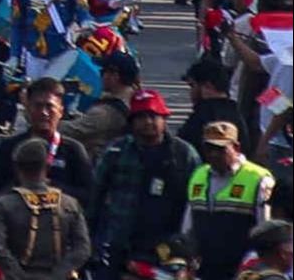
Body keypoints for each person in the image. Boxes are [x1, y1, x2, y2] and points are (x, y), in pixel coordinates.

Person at [90, 89, 202, 280]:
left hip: (170, 247)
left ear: (164, 118)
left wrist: (191, 248)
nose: (148, 122)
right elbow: (95, 197)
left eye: (153, 116)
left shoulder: (184, 154)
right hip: (120, 243)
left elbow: (197, 202)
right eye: (141, 117)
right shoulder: (116, 152)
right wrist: (91, 239)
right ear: (132, 122)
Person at [0, 137, 93, 280]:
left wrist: (18, 274)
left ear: (16, 168)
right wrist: (60, 273)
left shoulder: (4, 205)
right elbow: (83, 248)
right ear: (48, 166)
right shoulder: (69, 204)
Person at [0, 78, 97, 210]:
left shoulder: (73, 150)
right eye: (38, 106)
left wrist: (52, 187)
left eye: (49, 106)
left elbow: (89, 197)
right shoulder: (10, 147)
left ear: (60, 111)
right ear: (27, 109)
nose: (44, 112)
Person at [187, 121, 278, 280]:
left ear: (236, 147)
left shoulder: (259, 178)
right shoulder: (198, 175)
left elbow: (266, 229)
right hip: (205, 268)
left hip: (242, 269)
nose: (214, 154)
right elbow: (188, 224)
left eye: (220, 149)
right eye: (209, 148)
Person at [60, 52, 141, 159]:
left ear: (114, 76)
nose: (101, 76)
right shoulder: (136, 99)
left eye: (103, 71)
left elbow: (74, 130)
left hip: (98, 163)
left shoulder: (107, 111)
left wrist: (48, 121)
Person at [180, 57, 250, 153]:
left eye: (192, 86)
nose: (191, 93)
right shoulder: (238, 114)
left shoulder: (202, 116)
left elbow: (183, 149)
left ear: (208, 86)